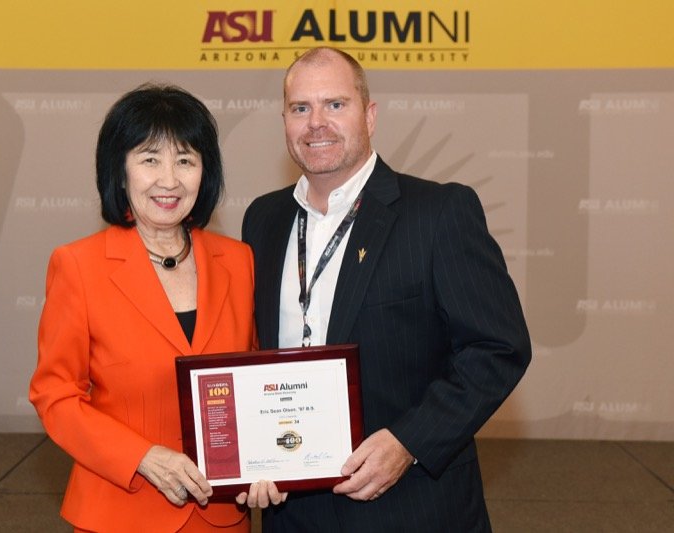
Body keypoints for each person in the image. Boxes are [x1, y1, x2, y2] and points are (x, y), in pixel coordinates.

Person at [241, 47, 532, 531]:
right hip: (291, 511)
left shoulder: (439, 213)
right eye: (300, 108)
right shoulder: (263, 219)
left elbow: (499, 348)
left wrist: (408, 442)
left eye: (335, 105)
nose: (317, 123)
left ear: (369, 115)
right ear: (285, 121)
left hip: (411, 504)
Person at [30, 84, 257, 532]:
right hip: (121, 509)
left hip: (220, 513)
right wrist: (142, 457)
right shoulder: (79, 265)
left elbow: (253, 382)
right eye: (150, 158)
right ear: (119, 170)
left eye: (186, 160)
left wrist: (269, 458)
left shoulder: (238, 260)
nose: (169, 179)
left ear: (204, 173)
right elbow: (55, 395)